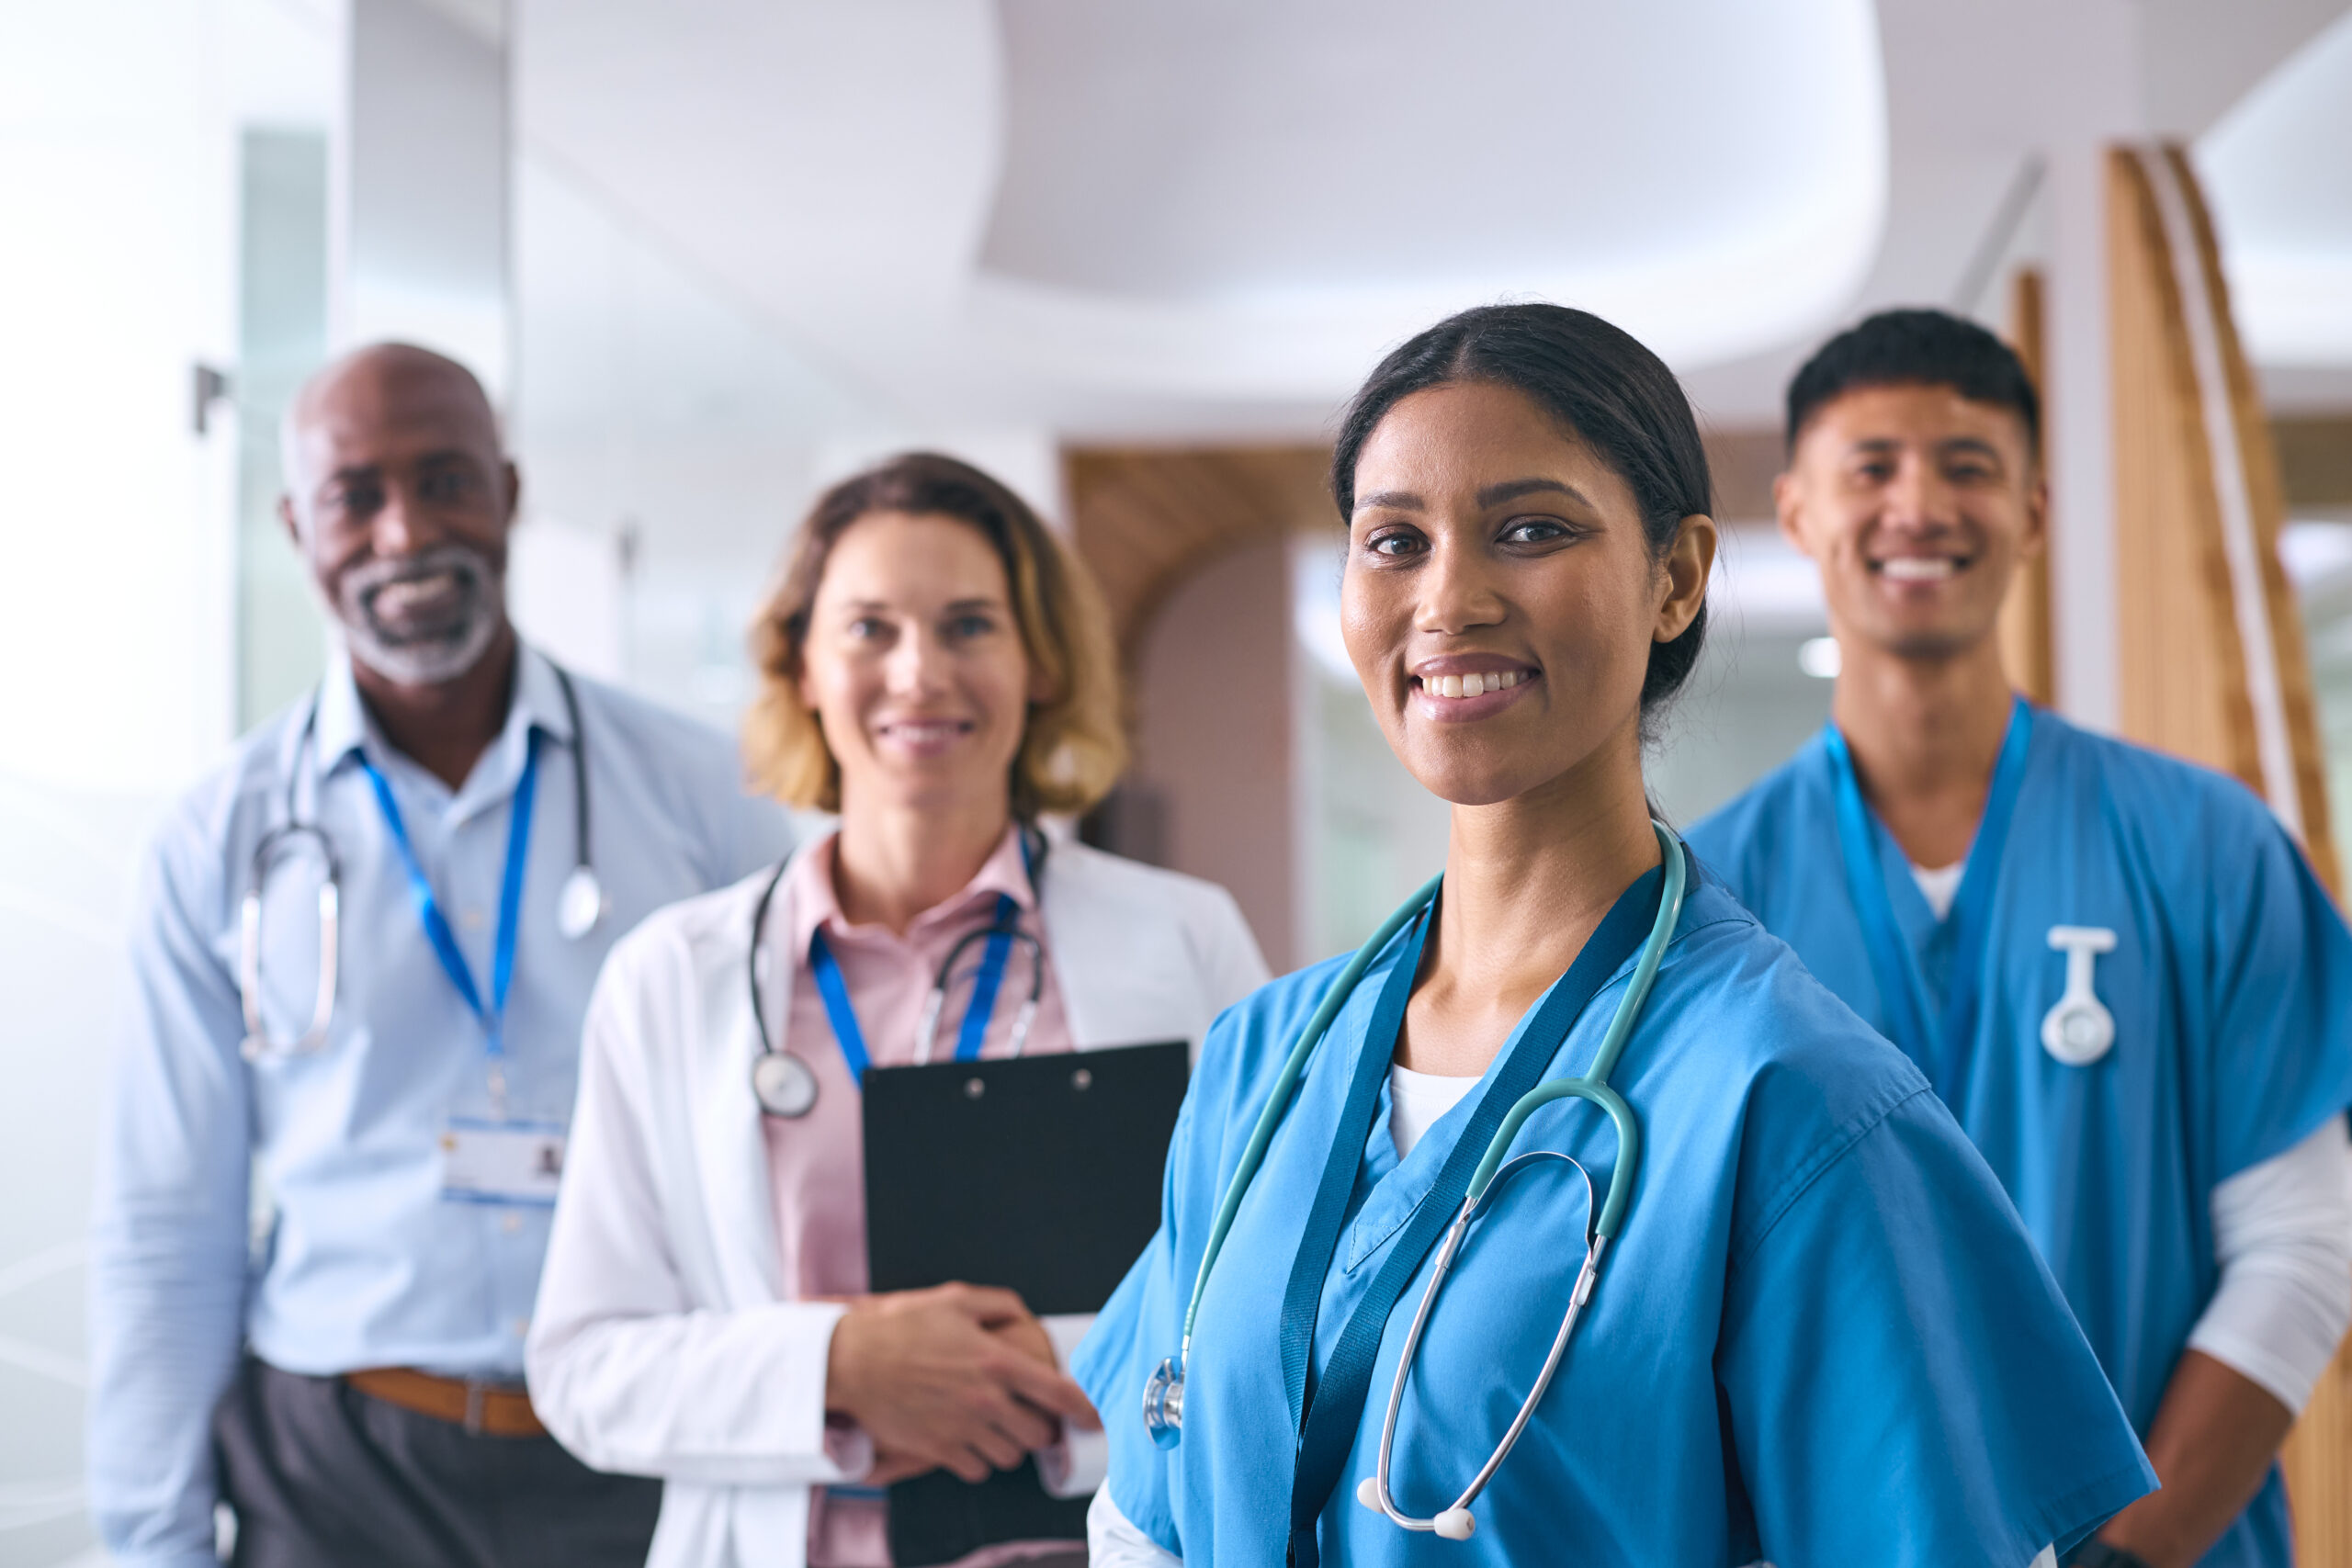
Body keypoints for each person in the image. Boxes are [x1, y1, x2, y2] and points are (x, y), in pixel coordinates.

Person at [1077, 303, 2156, 1568]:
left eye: (1530, 530)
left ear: (1678, 576)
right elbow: (1141, 1511)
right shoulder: (1264, 1060)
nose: (1449, 599)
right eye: (1394, 541)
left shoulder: (1784, 1095)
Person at [88, 344, 793, 1568]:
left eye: (447, 479)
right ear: (295, 522)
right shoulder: (217, 836)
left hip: (633, 1446)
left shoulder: (701, 795)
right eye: (355, 494)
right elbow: (169, 1223)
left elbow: (787, 1152)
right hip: (334, 1469)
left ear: (509, 493)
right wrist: (152, 1540)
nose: (405, 530)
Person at [1688, 309, 2352, 1568]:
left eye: (1968, 466)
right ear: (1800, 509)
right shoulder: (1711, 896)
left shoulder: (2205, 845)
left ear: (2034, 511)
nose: (1919, 505)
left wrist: (2125, 1551)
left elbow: (2303, 1241)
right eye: (1872, 467)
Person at [525, 452, 1271, 1568]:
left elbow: (1270, 1299)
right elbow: (584, 1370)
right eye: (870, 629)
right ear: (803, 669)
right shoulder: (671, 976)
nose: (919, 673)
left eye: (970, 625)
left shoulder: (1185, 940)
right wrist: (837, 1368)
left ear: (1041, 668)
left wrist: (1062, 1374)